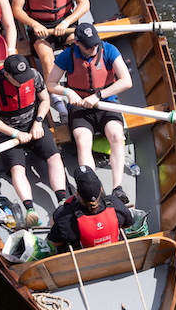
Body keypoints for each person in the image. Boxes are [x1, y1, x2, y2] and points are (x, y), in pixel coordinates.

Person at [46, 23, 134, 205]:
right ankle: (94, 188)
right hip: (79, 108)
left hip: (106, 102)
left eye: (95, 44)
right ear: (77, 43)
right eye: (88, 46)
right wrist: (68, 92)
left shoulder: (109, 50)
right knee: (83, 141)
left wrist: (98, 95)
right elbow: (51, 83)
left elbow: (127, 81)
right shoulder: (67, 56)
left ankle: (117, 188)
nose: (93, 48)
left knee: (117, 137)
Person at [0, 54, 68, 228]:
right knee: (17, 169)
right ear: (7, 75)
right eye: (18, 79)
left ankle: (62, 200)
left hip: (33, 124)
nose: (23, 82)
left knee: (55, 158)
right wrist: (15, 133)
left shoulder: (34, 75)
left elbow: (44, 99)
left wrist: (38, 122)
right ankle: (30, 209)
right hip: (8, 132)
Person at [11, 0, 89, 117]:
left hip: (66, 23)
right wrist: (34, 24)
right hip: (41, 27)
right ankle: (57, 98)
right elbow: (16, 9)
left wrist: (66, 22)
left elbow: (84, 4)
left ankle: (76, 87)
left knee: (77, 51)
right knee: (46, 59)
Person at [47, 165, 133, 251]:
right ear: (101, 189)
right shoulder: (116, 204)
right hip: (115, 252)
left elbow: (55, 242)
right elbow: (128, 224)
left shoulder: (65, 217)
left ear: (77, 192)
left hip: (83, 260)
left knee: (57, 218)